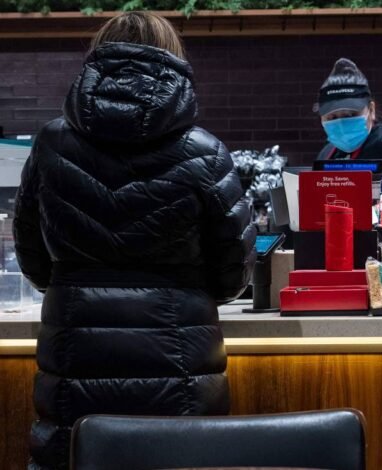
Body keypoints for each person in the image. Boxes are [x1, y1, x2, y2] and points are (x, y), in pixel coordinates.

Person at [14, 12, 256, 469]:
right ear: (174, 60)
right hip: (179, 356)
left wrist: (77, 280)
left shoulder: (51, 143)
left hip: (76, 350)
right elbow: (233, 273)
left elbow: (33, 258)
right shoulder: (205, 151)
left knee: (78, 456)